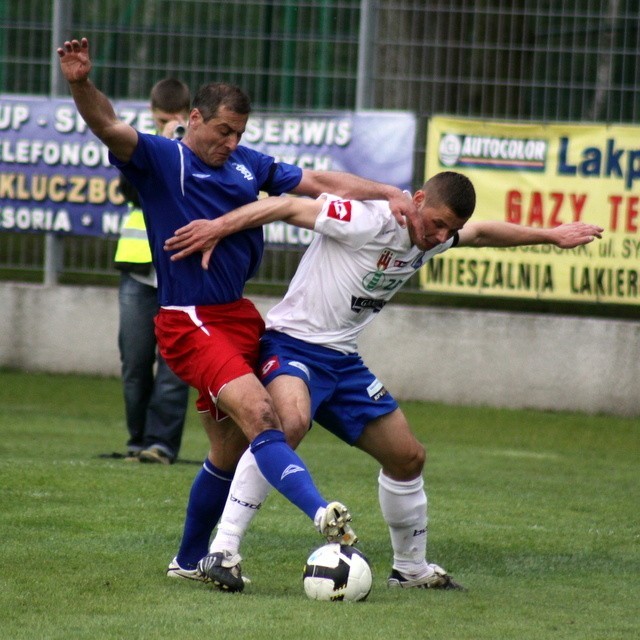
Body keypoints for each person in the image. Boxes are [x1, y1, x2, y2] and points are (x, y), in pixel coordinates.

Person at [57, 37, 422, 576]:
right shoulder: (166, 159)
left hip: (239, 316)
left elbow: (318, 182)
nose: (231, 143)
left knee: (228, 451)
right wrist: (80, 82)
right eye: (224, 131)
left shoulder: (248, 166)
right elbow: (109, 127)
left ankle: (187, 561)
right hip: (190, 318)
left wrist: (386, 191)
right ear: (195, 119)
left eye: (240, 134)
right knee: (263, 414)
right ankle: (324, 515)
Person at [163, 170, 604, 591]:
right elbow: (282, 206)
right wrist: (217, 228)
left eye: (449, 231)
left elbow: (485, 232)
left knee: (408, 457)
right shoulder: (367, 219)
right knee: (286, 425)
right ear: (416, 201)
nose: (437, 237)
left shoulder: (433, 238)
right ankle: (223, 551)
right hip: (293, 345)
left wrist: (552, 235)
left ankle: (411, 568)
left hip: (344, 363)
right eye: (435, 224)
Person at [114, 78, 191, 465]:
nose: (166, 123)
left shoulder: (199, 149)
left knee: (176, 366)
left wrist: (178, 144)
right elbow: (129, 192)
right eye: (161, 119)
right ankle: (137, 439)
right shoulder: (138, 145)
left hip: (180, 277)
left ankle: (160, 445)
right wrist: (160, 141)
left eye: (172, 119)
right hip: (138, 274)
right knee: (135, 362)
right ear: (151, 114)